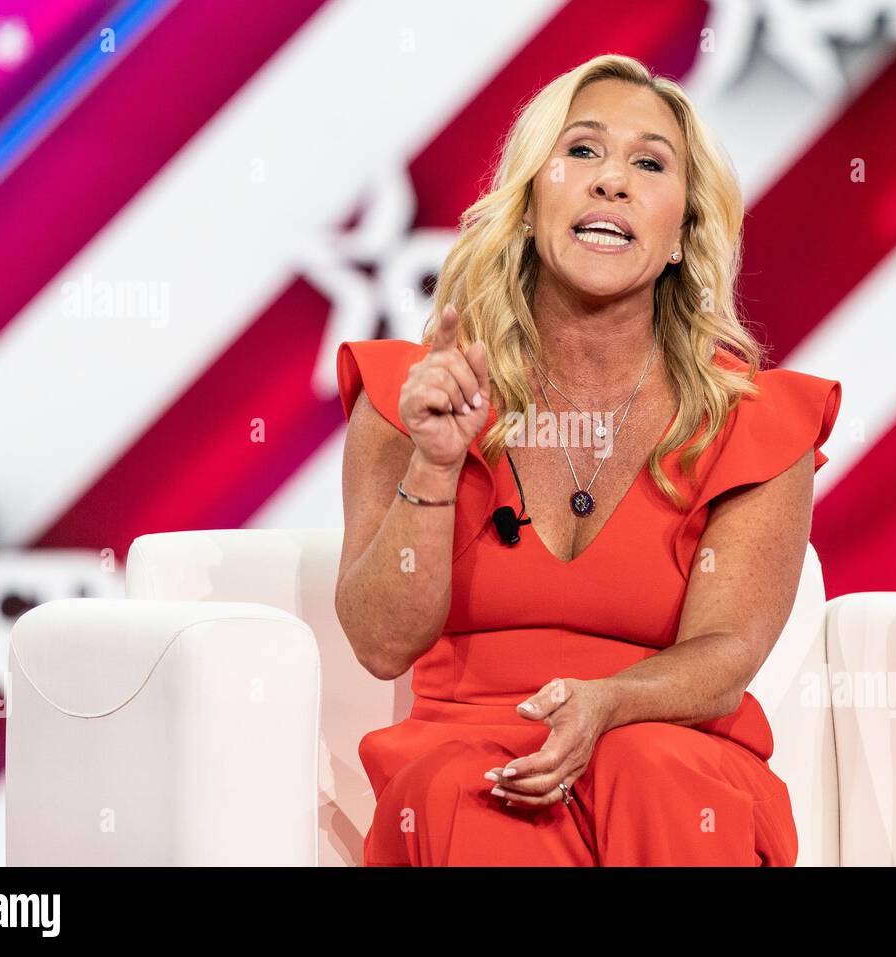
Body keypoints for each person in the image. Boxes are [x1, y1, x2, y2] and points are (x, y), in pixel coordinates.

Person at [334, 53, 841, 866]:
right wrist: (433, 462)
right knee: (471, 792)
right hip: (473, 756)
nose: (613, 181)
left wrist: (609, 704)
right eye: (582, 150)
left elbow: (725, 657)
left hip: (666, 749)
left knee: (651, 766)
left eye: (649, 162)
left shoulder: (750, 421)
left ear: (682, 234)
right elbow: (379, 642)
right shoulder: (415, 392)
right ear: (531, 202)